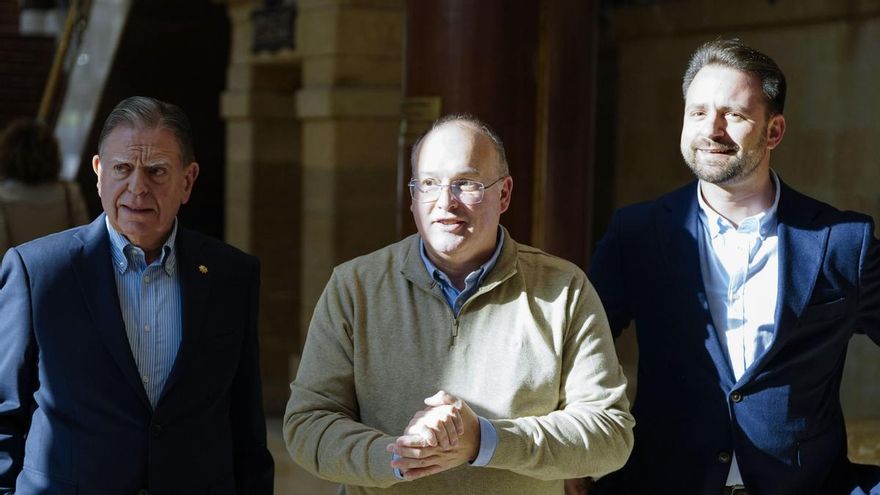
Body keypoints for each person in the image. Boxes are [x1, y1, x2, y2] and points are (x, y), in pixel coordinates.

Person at [589, 39, 880, 495]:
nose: (712, 129)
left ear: (774, 131)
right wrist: (573, 455)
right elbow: (579, 345)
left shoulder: (843, 242)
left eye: (735, 115)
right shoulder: (638, 234)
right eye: (698, 112)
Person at [284, 115, 634, 494]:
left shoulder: (564, 290)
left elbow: (610, 436)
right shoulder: (355, 286)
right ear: (413, 197)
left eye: (466, 184)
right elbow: (307, 425)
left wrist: (484, 441)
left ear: (504, 194)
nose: (445, 203)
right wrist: (400, 456)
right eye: (429, 184)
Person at [0, 96, 274, 493]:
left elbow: (246, 429)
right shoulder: (37, 273)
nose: (137, 187)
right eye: (122, 168)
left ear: (188, 180)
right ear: (98, 173)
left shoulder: (232, 276)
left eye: (157, 171)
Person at [0, 117, 90, 254]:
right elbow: (85, 243)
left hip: (18, 272)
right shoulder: (69, 194)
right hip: (62, 272)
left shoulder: (3, 198)